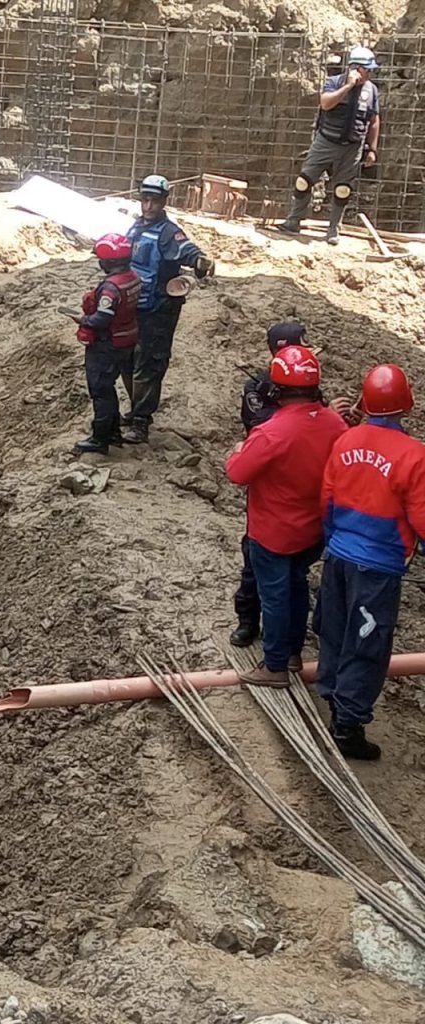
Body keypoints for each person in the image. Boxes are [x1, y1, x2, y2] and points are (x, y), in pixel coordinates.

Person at [316, 365, 425, 759]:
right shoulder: (414, 454)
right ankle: (348, 725)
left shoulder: (346, 441)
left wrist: (333, 541)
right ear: (404, 405)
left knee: (334, 629)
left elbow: (326, 500)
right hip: (378, 567)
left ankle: (333, 699)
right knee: (368, 643)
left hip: (339, 555)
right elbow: (422, 516)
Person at [230, 323, 360, 647]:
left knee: (272, 587)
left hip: (275, 518)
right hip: (309, 517)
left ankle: (276, 660)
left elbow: (239, 469)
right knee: (288, 582)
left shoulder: (281, 424)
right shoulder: (261, 391)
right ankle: (262, 631)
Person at [124, 175, 214, 445]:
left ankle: (141, 421)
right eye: (145, 200)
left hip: (159, 310)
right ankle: (136, 408)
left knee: (150, 364)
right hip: (134, 305)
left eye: (154, 201)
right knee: (127, 360)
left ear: (164, 202)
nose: (148, 206)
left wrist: (200, 261)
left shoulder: (168, 232)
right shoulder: (136, 227)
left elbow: (188, 250)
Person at [279, 46, 381, 245]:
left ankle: (333, 228)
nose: (370, 73)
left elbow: (374, 120)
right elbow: (325, 104)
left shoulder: (372, 91)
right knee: (305, 180)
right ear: (355, 68)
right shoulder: (334, 83)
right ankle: (293, 221)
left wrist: (372, 149)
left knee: (343, 188)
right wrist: (348, 87)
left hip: (352, 146)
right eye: (367, 69)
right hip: (326, 141)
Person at [73, 233, 141, 455]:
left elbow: (103, 318)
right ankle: (112, 432)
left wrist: (85, 321)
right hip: (126, 341)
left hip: (107, 345)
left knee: (101, 391)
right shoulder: (133, 278)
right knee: (109, 388)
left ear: (108, 261)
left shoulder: (111, 288)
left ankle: (100, 438)